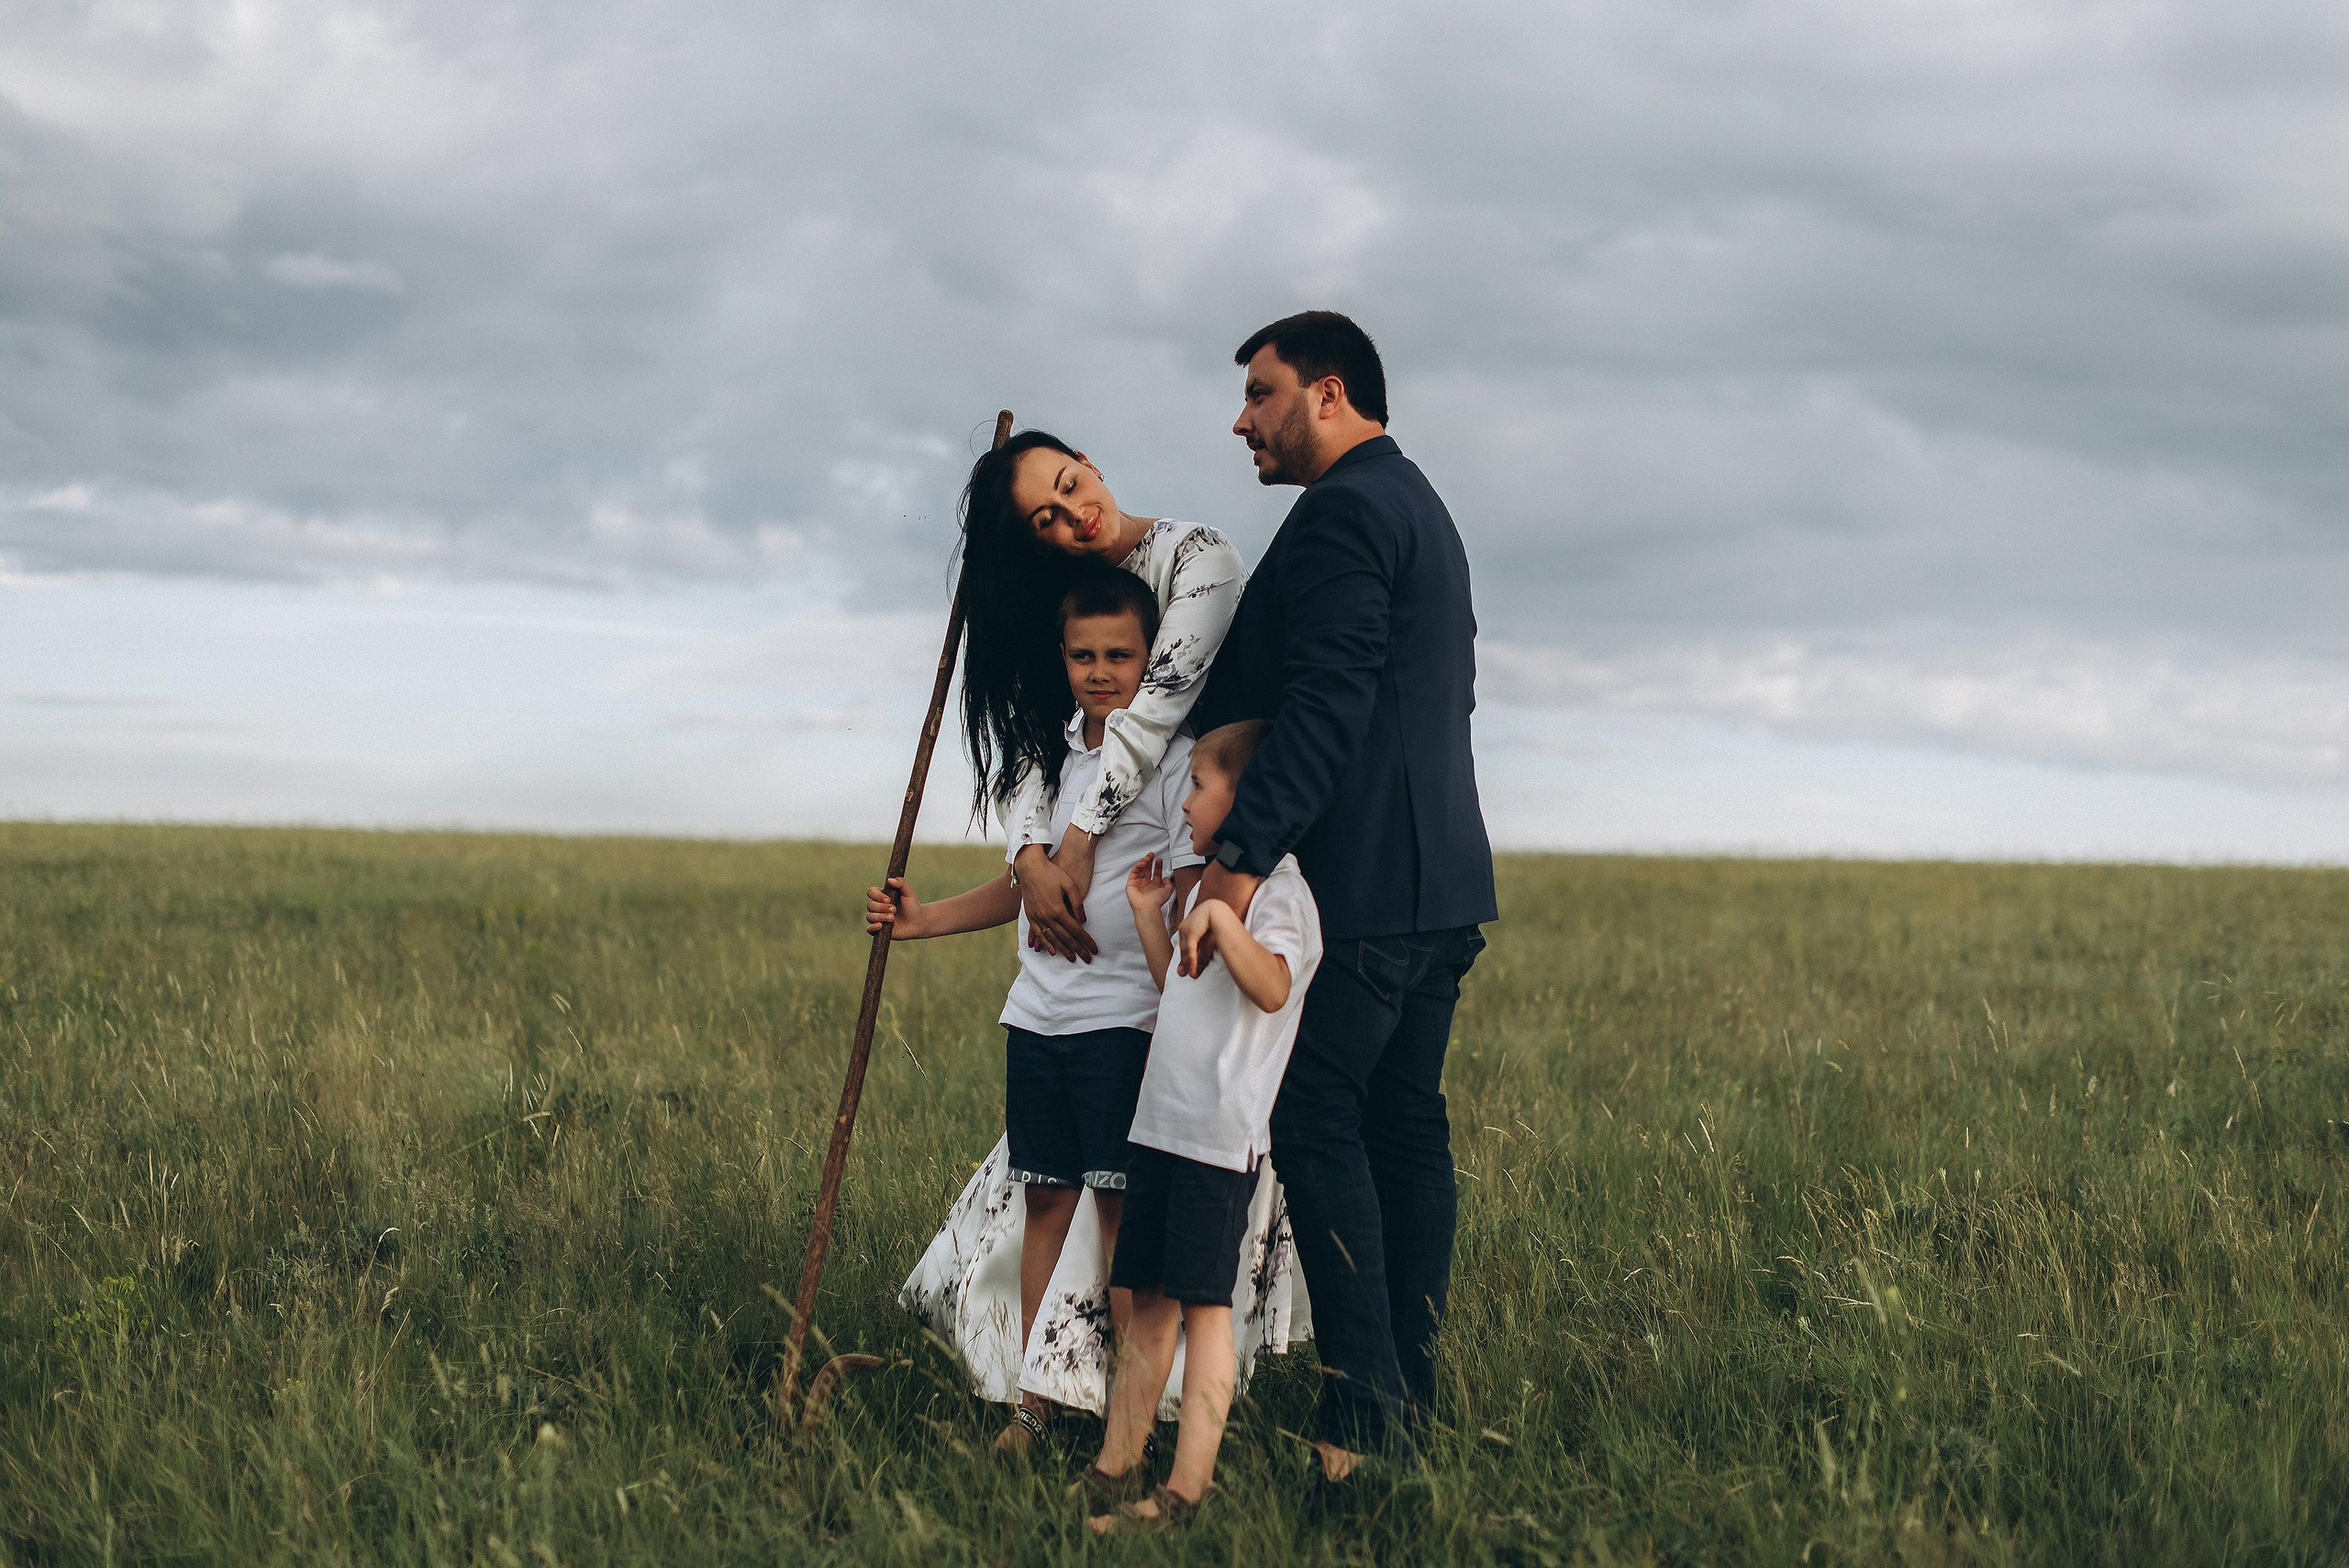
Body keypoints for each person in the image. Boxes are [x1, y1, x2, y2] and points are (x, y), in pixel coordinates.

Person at [890, 571, 1308, 1449]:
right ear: (1062, 658)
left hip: (1125, 1020)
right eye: (1084, 655)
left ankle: (1128, 1406)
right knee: (1046, 1201)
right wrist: (925, 921)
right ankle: (1034, 1401)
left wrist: (1191, 943)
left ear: (1151, 661)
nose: (1101, 670)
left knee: (1119, 1219)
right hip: (1038, 1014)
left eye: (1121, 654)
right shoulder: (1053, 758)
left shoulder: (1170, 763)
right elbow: (1023, 883)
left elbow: (1192, 877)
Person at [1188, 310, 1498, 1486]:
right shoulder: (1418, 503)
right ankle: (1407, 1405)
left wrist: (1238, 858)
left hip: (1364, 890)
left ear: (1327, 392)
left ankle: (1359, 1426)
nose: (1241, 420)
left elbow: (1329, 701)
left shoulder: (1344, 512)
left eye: (1260, 393)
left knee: (1317, 1122)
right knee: (1401, 1125)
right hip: (1441, 881)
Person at [1076, 720, 1324, 1533]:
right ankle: (1117, 1461)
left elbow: (1273, 987)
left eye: (1197, 786)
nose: (1183, 803)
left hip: (1217, 1140)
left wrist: (1221, 920)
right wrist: (1156, 916)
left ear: (1247, 799)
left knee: (1205, 1305)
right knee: (1146, 1297)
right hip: (1161, 1126)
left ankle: (1187, 1490)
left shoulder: (1283, 893)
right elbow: (1179, 990)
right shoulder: (1207, 893)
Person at [954, 430, 1246, 964]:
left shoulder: (1197, 557)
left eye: (1070, 485)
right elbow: (1029, 738)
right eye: (1047, 520)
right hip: (1117, 876)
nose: (1076, 514)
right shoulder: (1063, 606)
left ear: (1088, 463)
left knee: (1193, 984)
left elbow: (1154, 711)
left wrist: (1080, 838)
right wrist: (1029, 857)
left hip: (1210, 828)